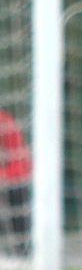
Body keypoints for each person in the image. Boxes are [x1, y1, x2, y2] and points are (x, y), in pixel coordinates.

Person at [0, 110, 31, 258]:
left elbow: (20, 163)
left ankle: (21, 249)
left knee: (16, 192)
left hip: (12, 179)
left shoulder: (5, 122)